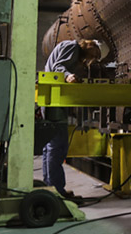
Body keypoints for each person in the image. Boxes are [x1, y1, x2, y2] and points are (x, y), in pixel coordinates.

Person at [42, 39, 102, 197]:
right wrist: (68, 76)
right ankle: (56, 190)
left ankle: (50, 187)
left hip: (53, 98)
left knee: (51, 146)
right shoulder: (72, 47)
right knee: (58, 145)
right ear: (90, 48)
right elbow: (58, 66)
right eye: (93, 56)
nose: (90, 60)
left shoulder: (72, 50)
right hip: (54, 100)